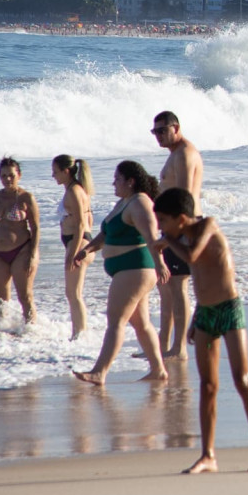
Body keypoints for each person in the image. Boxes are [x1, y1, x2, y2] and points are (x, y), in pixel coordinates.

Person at [154, 187, 248, 474]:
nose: (161, 227)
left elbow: (193, 257)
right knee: (208, 386)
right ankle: (208, 455)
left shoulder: (207, 225)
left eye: (164, 221)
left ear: (181, 218)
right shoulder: (179, 235)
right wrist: (194, 319)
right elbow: (200, 278)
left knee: (242, 379)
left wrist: (167, 241)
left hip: (229, 311)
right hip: (205, 315)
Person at [74, 161, 169, 386]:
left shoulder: (140, 203)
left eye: (117, 179)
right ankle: (158, 370)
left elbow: (152, 237)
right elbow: (106, 235)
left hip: (135, 269)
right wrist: (87, 249)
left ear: (130, 181)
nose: (113, 183)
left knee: (116, 321)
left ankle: (99, 372)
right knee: (141, 323)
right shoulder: (123, 202)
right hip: (128, 270)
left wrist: (161, 264)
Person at [151, 111, 203, 358]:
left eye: (162, 130)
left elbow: (185, 198)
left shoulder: (184, 154)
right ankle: (164, 344)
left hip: (183, 226)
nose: (158, 136)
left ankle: (179, 348)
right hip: (176, 226)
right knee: (169, 287)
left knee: (178, 286)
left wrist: (173, 234)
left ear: (176, 127)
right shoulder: (176, 154)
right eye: (155, 132)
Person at [0, 157, 39, 332]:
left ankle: (30, 332)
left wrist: (33, 255)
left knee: (24, 296)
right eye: (4, 176)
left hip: (22, 251)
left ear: (19, 175)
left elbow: (35, 229)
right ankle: (1, 332)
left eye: (11, 175)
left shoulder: (27, 198)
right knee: (1, 299)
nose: (8, 179)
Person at [51, 155, 93, 340]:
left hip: (79, 242)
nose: (53, 176)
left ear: (66, 171)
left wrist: (73, 253)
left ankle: (79, 335)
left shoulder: (75, 191)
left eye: (56, 172)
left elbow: (81, 224)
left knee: (74, 294)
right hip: (77, 242)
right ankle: (78, 333)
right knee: (73, 293)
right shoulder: (73, 189)